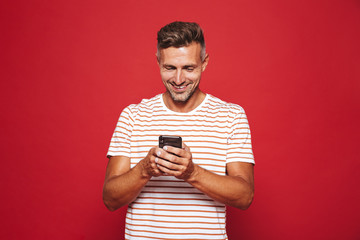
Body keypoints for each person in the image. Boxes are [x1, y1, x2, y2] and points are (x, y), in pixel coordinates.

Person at [103, 21, 255, 240]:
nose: (179, 79)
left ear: (204, 62)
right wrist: (145, 169)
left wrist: (192, 172)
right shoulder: (133, 116)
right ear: (158, 62)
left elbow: (245, 196)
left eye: (189, 68)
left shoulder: (231, 116)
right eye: (170, 68)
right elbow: (110, 199)